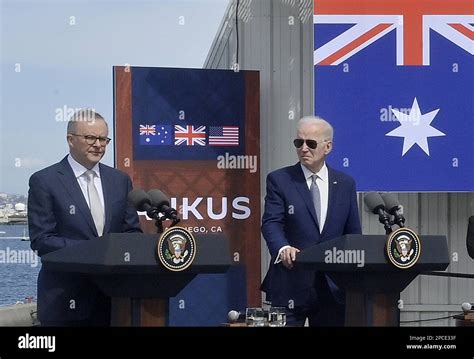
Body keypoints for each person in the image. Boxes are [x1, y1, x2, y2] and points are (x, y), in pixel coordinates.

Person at [28, 109, 142, 326]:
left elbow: (132, 232)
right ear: (70, 139)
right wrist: (96, 251)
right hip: (64, 298)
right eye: (90, 137)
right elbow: (42, 240)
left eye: (103, 139)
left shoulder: (120, 181)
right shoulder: (45, 181)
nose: (98, 144)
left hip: (114, 299)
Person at [261, 115, 362, 326]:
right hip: (290, 282)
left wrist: (354, 281)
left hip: (333, 288)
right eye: (299, 142)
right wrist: (282, 249)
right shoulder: (280, 180)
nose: (303, 148)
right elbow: (271, 222)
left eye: (311, 143)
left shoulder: (345, 184)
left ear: (328, 147)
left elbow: (353, 235)